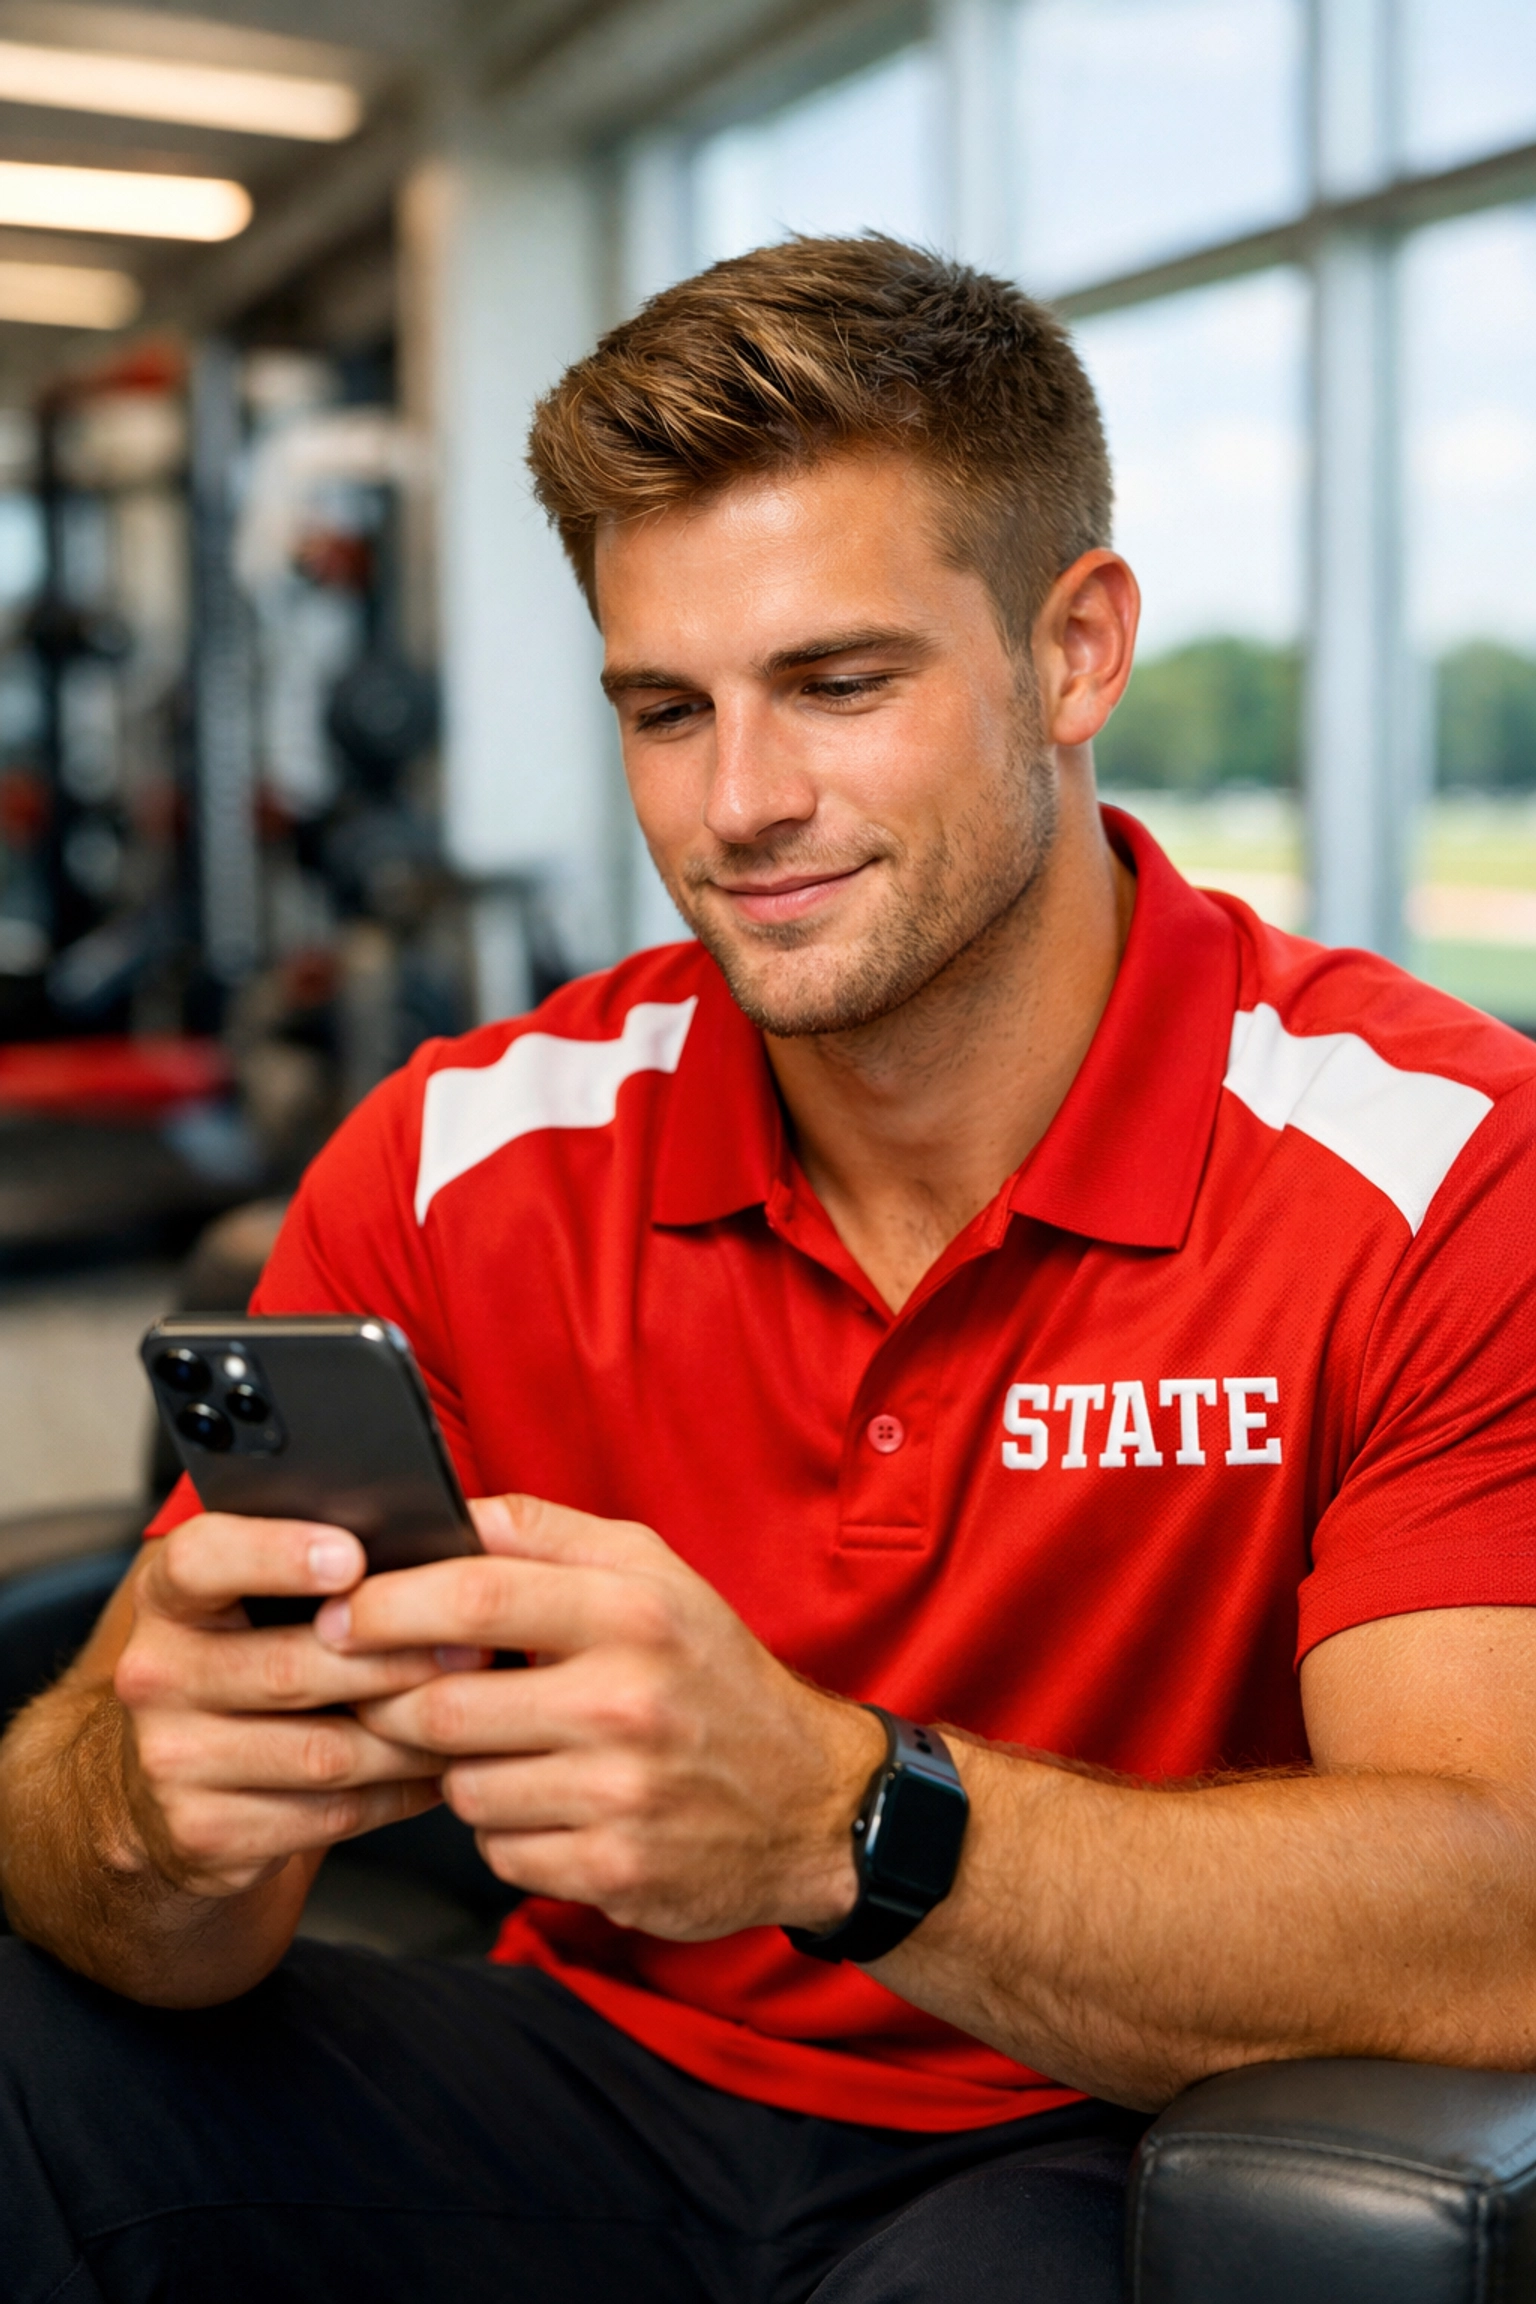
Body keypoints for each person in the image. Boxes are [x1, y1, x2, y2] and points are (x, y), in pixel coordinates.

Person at [3, 234, 1536, 2304]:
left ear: (1076, 652)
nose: (739, 806)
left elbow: (1500, 1913)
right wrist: (151, 1816)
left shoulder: (1441, 1166)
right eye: (666, 706)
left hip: (1092, 2128)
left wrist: (843, 1820)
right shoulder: (465, 1151)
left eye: (839, 683)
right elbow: (97, 1855)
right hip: (588, 2076)